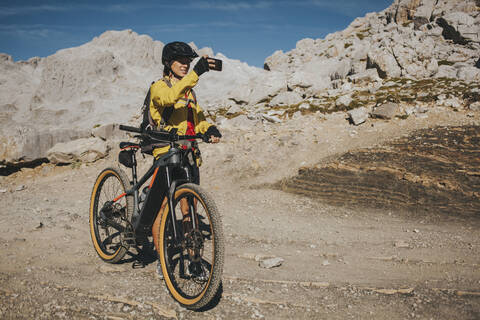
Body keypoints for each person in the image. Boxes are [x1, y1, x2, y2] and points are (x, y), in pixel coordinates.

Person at [149, 42, 221, 276]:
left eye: (188, 61)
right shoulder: (159, 87)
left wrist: (209, 128)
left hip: (189, 155)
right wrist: (196, 73)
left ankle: (194, 260)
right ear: (168, 64)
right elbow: (169, 99)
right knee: (161, 208)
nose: (185, 64)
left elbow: (197, 119)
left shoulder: (190, 92)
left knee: (189, 208)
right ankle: (162, 258)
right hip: (166, 155)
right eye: (180, 60)